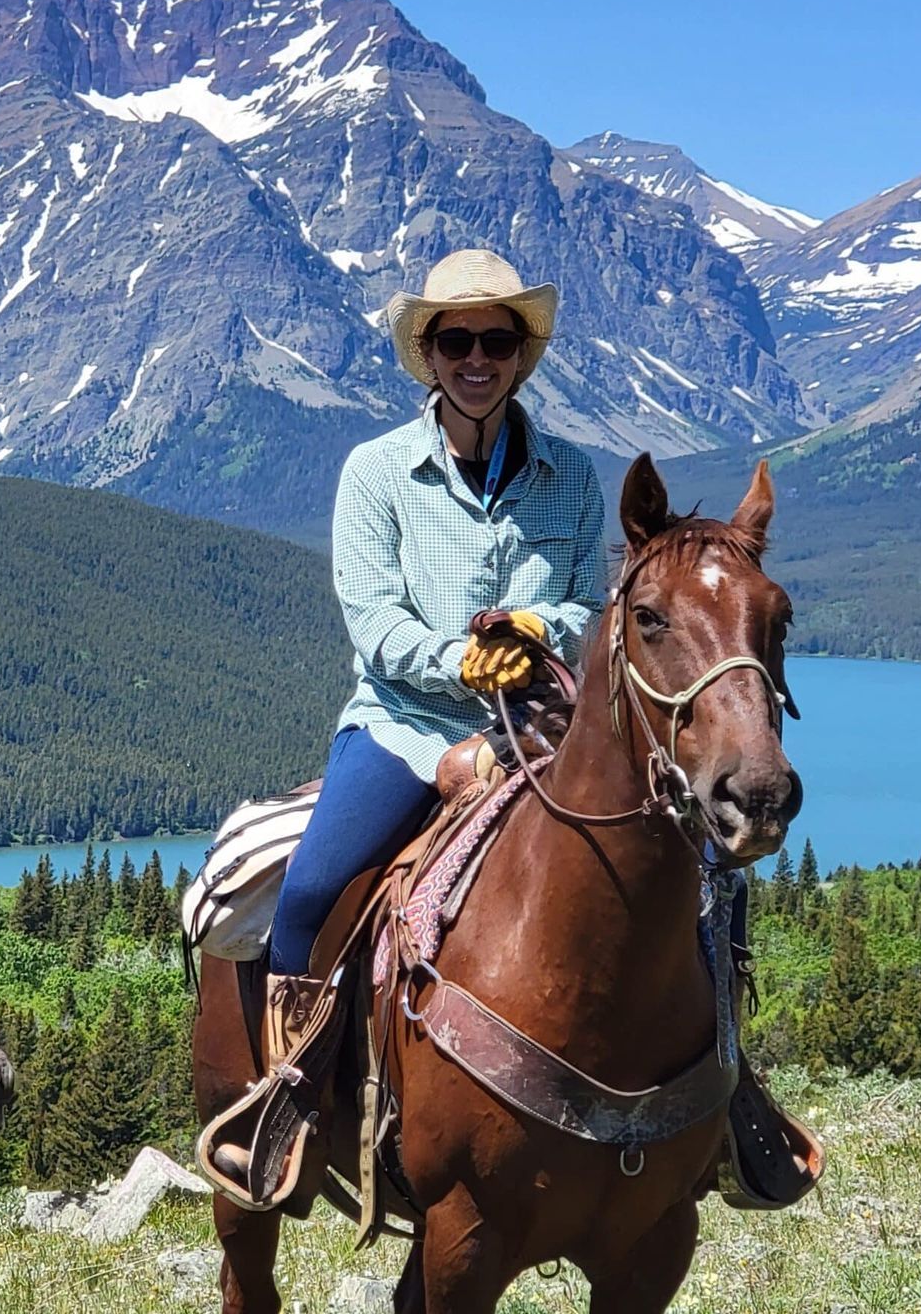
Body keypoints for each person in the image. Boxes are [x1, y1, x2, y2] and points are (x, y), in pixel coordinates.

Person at [214, 251, 604, 1201]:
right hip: (402, 726)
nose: (478, 357)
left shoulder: (573, 477)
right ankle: (293, 1098)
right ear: (428, 354)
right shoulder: (377, 472)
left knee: (690, 862)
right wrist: (462, 664)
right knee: (307, 895)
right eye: (456, 340)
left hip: (546, 725)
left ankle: (724, 1094)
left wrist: (532, 633)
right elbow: (376, 621)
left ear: (522, 354)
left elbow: (588, 601)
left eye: (497, 339)